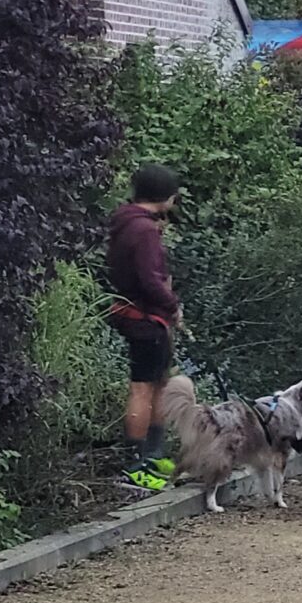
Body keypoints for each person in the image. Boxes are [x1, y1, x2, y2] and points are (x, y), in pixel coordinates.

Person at [106, 163, 182, 492]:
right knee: (142, 388)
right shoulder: (145, 230)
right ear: (166, 196)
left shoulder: (126, 222)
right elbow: (151, 281)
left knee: (160, 384)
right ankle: (135, 465)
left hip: (139, 314)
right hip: (145, 317)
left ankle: (154, 455)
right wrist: (173, 305)